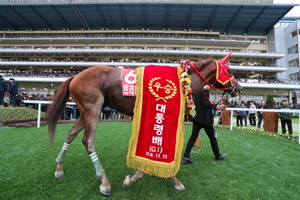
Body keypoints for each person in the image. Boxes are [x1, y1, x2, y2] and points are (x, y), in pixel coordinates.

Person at [182, 85, 227, 164]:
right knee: (212, 137)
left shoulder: (196, 90)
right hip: (205, 119)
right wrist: (218, 106)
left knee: (193, 137)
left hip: (197, 118)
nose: (211, 86)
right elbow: (206, 103)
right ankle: (217, 155)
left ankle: (186, 156)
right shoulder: (205, 91)